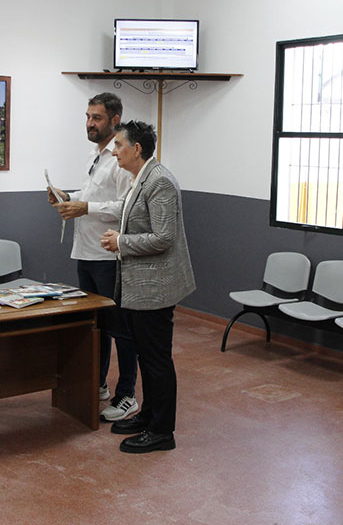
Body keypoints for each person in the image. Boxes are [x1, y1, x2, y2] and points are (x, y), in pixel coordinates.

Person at [100, 120, 195, 454]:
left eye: (119, 146)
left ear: (136, 148)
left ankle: (161, 431)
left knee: (157, 360)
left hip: (155, 288)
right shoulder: (138, 178)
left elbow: (164, 237)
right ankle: (149, 416)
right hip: (139, 287)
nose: (114, 152)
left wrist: (121, 241)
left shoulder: (161, 182)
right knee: (145, 355)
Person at [48, 93, 138, 422]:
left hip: (109, 256)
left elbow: (126, 207)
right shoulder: (97, 155)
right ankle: (98, 383)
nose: (89, 123)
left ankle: (127, 394)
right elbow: (92, 196)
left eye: (97, 117)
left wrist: (85, 207)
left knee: (121, 329)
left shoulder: (122, 159)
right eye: (88, 116)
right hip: (85, 252)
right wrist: (68, 197)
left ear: (114, 120)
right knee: (95, 327)